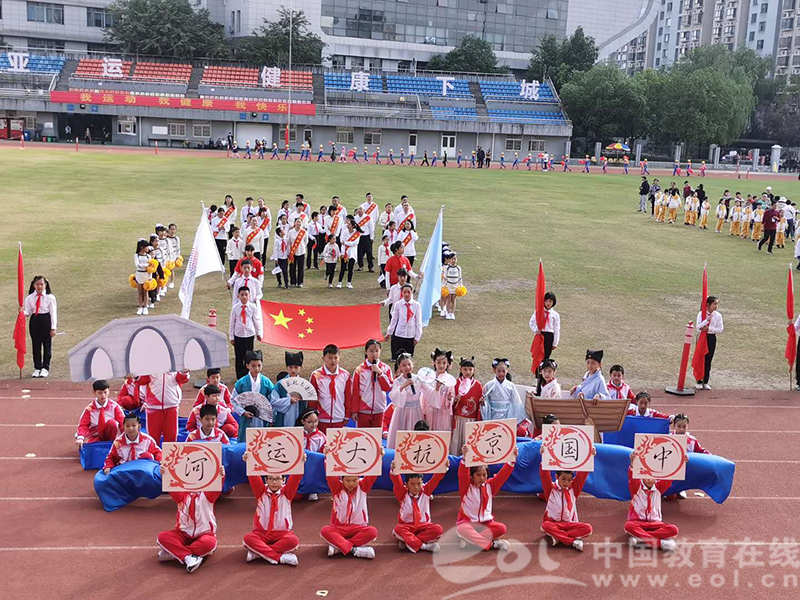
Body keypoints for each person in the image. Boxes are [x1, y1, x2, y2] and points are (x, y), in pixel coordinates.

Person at [156, 465, 225, 572]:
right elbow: (171, 485)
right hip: (183, 534)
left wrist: (221, 475)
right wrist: (165, 473)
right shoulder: (181, 496)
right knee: (163, 537)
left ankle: (175, 553)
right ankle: (188, 557)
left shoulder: (208, 495)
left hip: (204, 534)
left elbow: (217, 485)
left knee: (209, 543)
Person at [241, 451, 306, 565]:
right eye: (271, 479)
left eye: (277, 479)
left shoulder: (287, 493)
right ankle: (279, 557)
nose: (274, 482)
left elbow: (296, 477)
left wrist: (301, 462)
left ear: (283, 480)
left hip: (282, 533)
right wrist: (249, 461)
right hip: (261, 533)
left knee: (293, 541)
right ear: (266, 480)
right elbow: (253, 476)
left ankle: (259, 553)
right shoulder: (261, 492)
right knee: (248, 538)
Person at [455, 445, 517, 551]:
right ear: (471, 476)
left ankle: (472, 542)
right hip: (468, 524)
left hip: (486, 525)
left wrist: (512, 459)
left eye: (484, 475)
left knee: (501, 528)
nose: (482, 478)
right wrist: (465, 457)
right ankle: (492, 544)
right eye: (478, 475)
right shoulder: (466, 487)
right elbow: (462, 474)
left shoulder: (490, 486)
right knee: (462, 529)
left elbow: (503, 475)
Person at [321, 449, 381, 559]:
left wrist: (379, 457)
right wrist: (328, 457)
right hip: (339, 528)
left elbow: (373, 474)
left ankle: (340, 547)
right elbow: (330, 474)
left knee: (372, 531)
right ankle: (355, 550)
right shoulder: (337, 488)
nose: (351, 484)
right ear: (342, 480)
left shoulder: (363, 487)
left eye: (354, 480)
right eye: (347, 480)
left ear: (359, 479)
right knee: (325, 531)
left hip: (359, 528)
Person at [538, 447, 595, 552]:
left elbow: (582, 475)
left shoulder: (574, 489)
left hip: (570, 524)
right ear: (556, 476)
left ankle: (558, 538)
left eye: (569, 480)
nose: (566, 483)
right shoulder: (550, 489)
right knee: (545, 525)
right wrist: (543, 456)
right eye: (563, 479)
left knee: (588, 528)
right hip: (554, 523)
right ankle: (572, 541)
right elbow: (544, 475)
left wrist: (590, 456)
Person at [624, 453, 681, 551]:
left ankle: (640, 539)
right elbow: (632, 477)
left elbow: (670, 477)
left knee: (673, 529)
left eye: (653, 477)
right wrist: (633, 463)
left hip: (655, 524)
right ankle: (660, 543)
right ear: (642, 476)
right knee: (628, 526)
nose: (650, 480)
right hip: (637, 523)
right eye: (648, 476)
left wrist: (681, 462)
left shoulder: (659, 488)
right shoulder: (636, 487)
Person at [389, 460, 447, 553]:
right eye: (412, 484)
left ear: (422, 483)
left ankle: (409, 541)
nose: (416, 487)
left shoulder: (426, 491)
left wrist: (443, 467)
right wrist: (394, 470)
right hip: (407, 525)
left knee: (438, 529)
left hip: (423, 526)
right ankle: (424, 546)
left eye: (419, 484)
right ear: (406, 484)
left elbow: (436, 479)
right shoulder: (402, 493)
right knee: (398, 529)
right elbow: (396, 482)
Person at [308, 345, 352, 433]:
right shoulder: (316, 375)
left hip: (339, 417)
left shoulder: (345, 375)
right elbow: (312, 398)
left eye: (336, 358)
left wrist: (347, 415)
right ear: (323, 358)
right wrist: (313, 416)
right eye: (330, 358)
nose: (333, 361)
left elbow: (348, 397)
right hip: (321, 418)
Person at [350, 339, 393, 428]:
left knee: (376, 439)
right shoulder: (359, 370)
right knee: (363, 437)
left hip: (379, 410)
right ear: (366, 352)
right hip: (363, 411)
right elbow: (355, 391)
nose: (374, 354)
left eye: (377, 351)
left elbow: (388, 388)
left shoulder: (386, 368)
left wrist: (380, 373)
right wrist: (354, 411)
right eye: (371, 351)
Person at [138, 371, 189, 445]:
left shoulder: (175, 364)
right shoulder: (150, 364)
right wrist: (135, 376)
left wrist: (184, 372)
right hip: (153, 407)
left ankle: (169, 456)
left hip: (171, 405)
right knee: (153, 438)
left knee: (171, 437)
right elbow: (142, 380)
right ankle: (154, 455)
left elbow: (182, 379)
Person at [232, 350, 275, 436]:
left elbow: (272, 400)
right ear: (247, 366)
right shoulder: (241, 383)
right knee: (246, 439)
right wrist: (243, 412)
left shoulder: (266, 382)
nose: (257, 368)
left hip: (262, 417)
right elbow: (234, 400)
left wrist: (270, 416)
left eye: (259, 365)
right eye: (253, 366)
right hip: (246, 417)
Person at [22, 275, 57, 378]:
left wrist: (53, 327)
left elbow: (53, 313)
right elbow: (28, 311)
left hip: (46, 320)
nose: (39, 286)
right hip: (35, 321)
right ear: (34, 285)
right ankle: (37, 367)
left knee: (47, 346)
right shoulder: (29, 298)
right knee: (36, 346)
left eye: (41, 284)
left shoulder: (50, 298)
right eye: (37, 284)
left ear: (45, 285)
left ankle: (45, 368)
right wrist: (22, 313)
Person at [386, 353, 424, 448]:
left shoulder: (418, 379)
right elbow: (393, 396)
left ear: (413, 364)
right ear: (399, 367)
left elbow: (428, 391)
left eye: (409, 364)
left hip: (416, 411)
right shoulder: (397, 381)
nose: (407, 367)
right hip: (402, 412)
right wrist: (402, 386)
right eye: (404, 365)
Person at [481, 359, 526, 433]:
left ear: (507, 371)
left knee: (505, 433)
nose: (501, 373)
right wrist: (483, 403)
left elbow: (516, 401)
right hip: (493, 414)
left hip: (507, 414)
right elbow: (486, 400)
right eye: (499, 371)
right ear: (494, 370)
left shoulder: (511, 386)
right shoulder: (489, 385)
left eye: (503, 371)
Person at [75, 380, 124, 447]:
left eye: (105, 392)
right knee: (90, 447)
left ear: (109, 391)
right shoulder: (89, 409)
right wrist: (80, 437)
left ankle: (112, 445)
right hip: (96, 433)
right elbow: (83, 425)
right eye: (100, 393)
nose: (103, 395)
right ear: (94, 393)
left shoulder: (114, 406)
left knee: (113, 423)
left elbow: (122, 423)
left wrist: (125, 437)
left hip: (110, 432)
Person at [450, 357, 483, 455]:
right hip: (459, 417)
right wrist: (455, 400)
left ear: (474, 370)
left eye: (470, 369)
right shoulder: (455, 383)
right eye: (465, 369)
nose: (467, 372)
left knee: (468, 442)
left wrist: (482, 402)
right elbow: (450, 403)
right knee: (456, 441)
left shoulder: (478, 385)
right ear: (460, 369)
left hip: (471, 419)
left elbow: (480, 403)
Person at [229, 286, 263, 380]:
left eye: (246, 295)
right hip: (238, 335)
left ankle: (247, 376)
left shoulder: (253, 307)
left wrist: (258, 333)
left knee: (248, 356)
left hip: (249, 335)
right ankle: (239, 377)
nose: (244, 297)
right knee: (239, 357)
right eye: (242, 295)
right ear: (238, 296)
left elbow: (256, 320)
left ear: (249, 296)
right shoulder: (235, 308)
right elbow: (232, 322)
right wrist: (232, 337)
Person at [420, 348, 455, 431]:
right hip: (430, 409)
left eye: (444, 363)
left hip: (443, 410)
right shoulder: (429, 378)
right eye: (438, 362)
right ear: (434, 363)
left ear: (448, 364)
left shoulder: (450, 379)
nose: (441, 365)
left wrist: (449, 399)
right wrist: (423, 411)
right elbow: (424, 396)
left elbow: (451, 398)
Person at [270, 351, 306, 428]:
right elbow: (273, 401)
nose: (293, 370)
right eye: (290, 367)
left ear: (301, 368)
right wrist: (288, 400)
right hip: (283, 419)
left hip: (299, 418)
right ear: (287, 368)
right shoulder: (280, 384)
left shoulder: (304, 385)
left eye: (296, 367)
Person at [387, 284, 423, 359]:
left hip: (410, 334)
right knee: (397, 357)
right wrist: (389, 332)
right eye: (405, 292)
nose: (406, 294)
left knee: (408, 358)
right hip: (399, 333)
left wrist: (417, 337)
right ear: (402, 293)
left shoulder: (416, 305)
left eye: (408, 292)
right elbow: (394, 319)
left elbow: (418, 322)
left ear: (412, 292)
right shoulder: (398, 304)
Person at [696, 296, 723, 390]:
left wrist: (709, 329)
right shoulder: (701, 314)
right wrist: (706, 321)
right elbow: (698, 327)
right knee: (700, 359)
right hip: (702, 338)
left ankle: (705, 381)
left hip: (711, 337)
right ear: (708, 304)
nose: (716, 306)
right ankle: (699, 381)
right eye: (714, 304)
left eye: (717, 304)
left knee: (708, 359)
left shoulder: (718, 315)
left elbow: (720, 329)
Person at [529, 291, 560, 362]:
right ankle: (537, 372)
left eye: (550, 301)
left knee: (546, 356)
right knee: (537, 356)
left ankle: (544, 372)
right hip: (540, 335)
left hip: (549, 336)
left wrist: (555, 342)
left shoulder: (555, 315)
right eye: (546, 301)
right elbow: (531, 322)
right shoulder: (538, 311)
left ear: (553, 302)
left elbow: (556, 329)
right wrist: (536, 330)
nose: (548, 303)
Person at [441, 252, 462, 320]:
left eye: (455, 259)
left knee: (453, 300)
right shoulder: (447, 268)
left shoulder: (458, 268)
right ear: (449, 260)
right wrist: (444, 286)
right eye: (452, 259)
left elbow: (460, 277)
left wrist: (460, 286)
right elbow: (445, 277)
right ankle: (447, 312)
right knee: (448, 300)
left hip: (455, 286)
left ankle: (452, 313)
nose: (454, 260)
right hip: (448, 286)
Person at [287, 218, 307, 288]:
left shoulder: (304, 232)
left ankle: (300, 282)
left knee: (300, 268)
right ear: (295, 223)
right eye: (297, 222)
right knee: (292, 267)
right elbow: (289, 242)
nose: (298, 223)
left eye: (300, 222)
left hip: (301, 251)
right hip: (293, 252)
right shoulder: (291, 232)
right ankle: (293, 282)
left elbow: (306, 242)